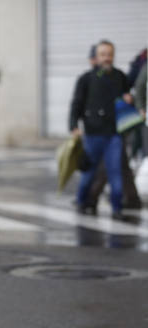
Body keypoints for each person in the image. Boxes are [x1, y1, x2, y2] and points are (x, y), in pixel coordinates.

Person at [69, 40, 134, 219]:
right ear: (96, 57)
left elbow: (128, 97)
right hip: (92, 134)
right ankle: (82, 202)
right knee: (88, 174)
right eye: (103, 54)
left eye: (110, 54)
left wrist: (129, 99)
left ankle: (116, 208)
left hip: (113, 134)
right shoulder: (86, 79)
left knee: (115, 173)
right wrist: (74, 126)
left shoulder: (120, 77)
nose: (107, 58)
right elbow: (76, 104)